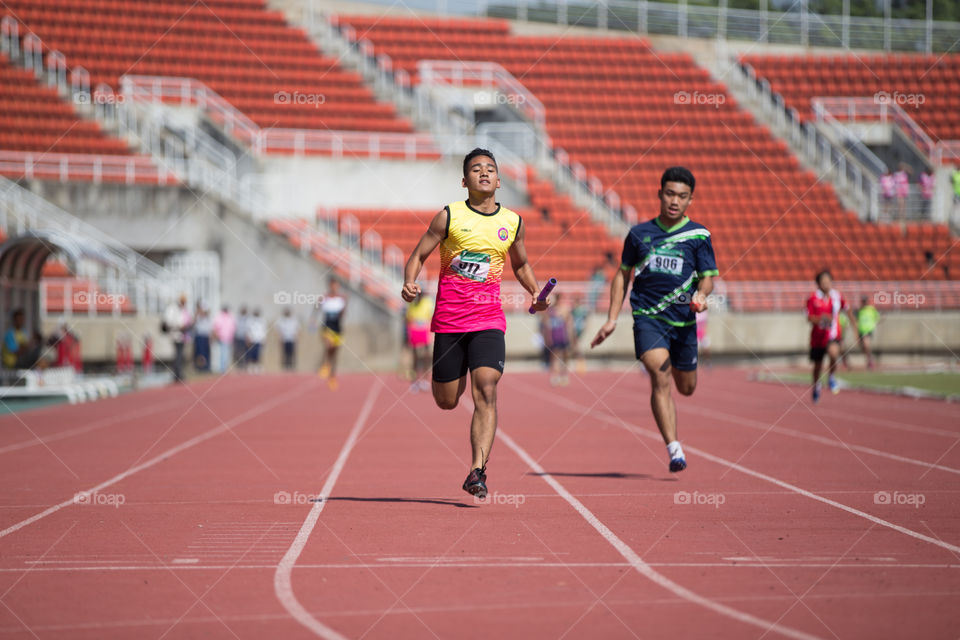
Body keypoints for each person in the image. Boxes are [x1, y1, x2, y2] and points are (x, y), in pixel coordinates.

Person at [401, 147, 547, 498]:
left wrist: (534, 291)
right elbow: (419, 255)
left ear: (498, 179)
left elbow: (522, 264)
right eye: (476, 169)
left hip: (488, 321)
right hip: (450, 323)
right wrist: (409, 281)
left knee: (487, 388)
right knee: (447, 401)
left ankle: (477, 471)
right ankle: (453, 378)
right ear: (464, 180)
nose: (484, 173)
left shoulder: (512, 222)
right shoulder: (448, 217)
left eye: (490, 168)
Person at [591, 166, 717, 473]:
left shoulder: (698, 236)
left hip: (684, 323)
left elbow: (709, 278)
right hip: (648, 318)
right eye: (670, 194)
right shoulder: (639, 234)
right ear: (660, 194)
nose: (675, 201)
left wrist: (701, 296)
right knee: (659, 375)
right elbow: (622, 275)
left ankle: (678, 376)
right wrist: (611, 318)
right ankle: (674, 449)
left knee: (686, 387)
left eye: (682, 196)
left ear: (690, 200)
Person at [806, 270, 858, 403]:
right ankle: (816, 385)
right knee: (817, 366)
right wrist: (821, 320)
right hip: (818, 337)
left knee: (834, 353)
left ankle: (831, 377)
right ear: (818, 284)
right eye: (823, 282)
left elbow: (848, 310)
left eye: (828, 281)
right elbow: (810, 318)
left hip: (833, 335)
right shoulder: (813, 298)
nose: (826, 284)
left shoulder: (837, 296)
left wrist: (855, 328)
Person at [318, 280, 347, 390]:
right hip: (327, 326)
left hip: (337, 327)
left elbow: (343, 314)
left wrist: (344, 305)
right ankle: (325, 364)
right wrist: (312, 320)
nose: (335, 288)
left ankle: (332, 376)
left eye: (336, 286)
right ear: (330, 286)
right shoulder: (324, 297)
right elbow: (317, 309)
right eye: (333, 285)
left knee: (334, 353)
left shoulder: (342, 298)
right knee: (328, 345)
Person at [405, 289, 434, 392]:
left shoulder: (428, 302)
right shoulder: (412, 303)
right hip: (414, 331)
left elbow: (431, 316)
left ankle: (425, 380)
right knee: (415, 357)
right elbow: (408, 318)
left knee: (426, 356)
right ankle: (415, 381)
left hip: (425, 331)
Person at [542, 292, 572, 386]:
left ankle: (564, 375)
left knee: (565, 357)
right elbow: (546, 325)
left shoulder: (564, 310)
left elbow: (569, 325)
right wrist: (547, 337)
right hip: (554, 337)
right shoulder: (549, 311)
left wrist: (570, 337)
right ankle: (555, 376)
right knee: (554, 358)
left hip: (563, 336)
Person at [162, 294, 192, 382]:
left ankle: (178, 373)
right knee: (178, 355)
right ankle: (177, 374)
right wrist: (179, 326)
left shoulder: (181, 309)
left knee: (180, 355)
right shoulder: (173, 309)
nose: (184, 304)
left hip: (182, 334)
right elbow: (168, 322)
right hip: (176, 334)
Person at [856, 296, 879, 370]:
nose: (864, 303)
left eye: (865, 301)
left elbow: (877, 317)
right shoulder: (859, 310)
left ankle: (870, 360)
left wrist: (874, 324)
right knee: (863, 347)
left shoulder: (871, 309)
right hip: (861, 330)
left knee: (866, 344)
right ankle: (869, 359)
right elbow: (857, 320)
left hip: (868, 330)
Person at [212, 305, 235, 374]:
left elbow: (232, 328)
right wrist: (216, 335)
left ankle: (224, 367)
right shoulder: (220, 317)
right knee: (223, 353)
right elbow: (216, 327)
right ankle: (222, 368)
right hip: (222, 337)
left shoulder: (230, 317)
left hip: (227, 338)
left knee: (225, 353)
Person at [276, 307, 300, 371]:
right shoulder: (281, 320)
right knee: (285, 353)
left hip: (291, 339)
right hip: (284, 339)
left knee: (291, 353)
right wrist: (280, 338)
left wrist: (296, 337)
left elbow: (297, 330)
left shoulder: (294, 320)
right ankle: (285, 366)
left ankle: (291, 366)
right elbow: (279, 330)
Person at [192, 303, 212, 372]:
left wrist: (210, 338)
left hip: (206, 337)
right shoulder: (197, 317)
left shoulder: (208, 318)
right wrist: (197, 313)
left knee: (206, 353)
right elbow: (193, 323)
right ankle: (199, 367)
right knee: (199, 352)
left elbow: (210, 329)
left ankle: (206, 367)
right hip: (199, 336)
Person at [245, 308, 266, 374]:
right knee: (251, 354)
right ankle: (250, 367)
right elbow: (247, 330)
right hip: (252, 340)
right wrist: (248, 338)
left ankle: (257, 367)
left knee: (258, 354)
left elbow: (264, 331)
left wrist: (264, 340)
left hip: (259, 340)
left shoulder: (262, 320)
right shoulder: (250, 320)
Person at [233, 305, 249, 371]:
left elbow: (248, 329)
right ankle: (238, 365)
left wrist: (248, 337)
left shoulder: (248, 318)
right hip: (238, 337)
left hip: (245, 338)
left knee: (245, 352)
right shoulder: (237, 318)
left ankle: (244, 365)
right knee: (238, 352)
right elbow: (235, 327)